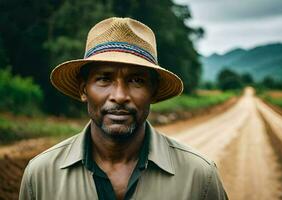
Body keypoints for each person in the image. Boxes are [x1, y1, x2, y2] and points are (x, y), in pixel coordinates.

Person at [19, 17, 228, 200]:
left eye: (136, 80)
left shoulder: (199, 177)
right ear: (84, 90)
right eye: (104, 79)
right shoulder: (41, 175)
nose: (119, 96)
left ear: (153, 92)